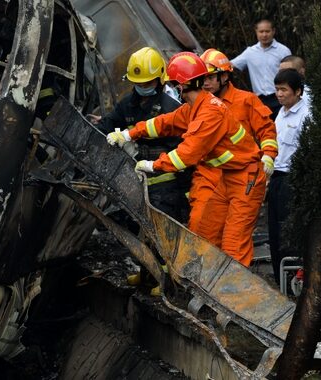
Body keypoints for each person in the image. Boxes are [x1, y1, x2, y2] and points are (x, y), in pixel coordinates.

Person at [107, 52, 265, 267]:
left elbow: (185, 156)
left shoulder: (209, 113)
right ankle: (208, 288)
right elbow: (164, 123)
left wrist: (152, 165)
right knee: (203, 235)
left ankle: (231, 297)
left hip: (246, 179)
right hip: (228, 178)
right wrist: (129, 134)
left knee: (233, 245)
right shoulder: (196, 107)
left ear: (180, 86)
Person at [92, 47, 189, 223]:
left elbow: (185, 151)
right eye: (139, 84)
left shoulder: (172, 109)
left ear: (159, 80)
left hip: (168, 186)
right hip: (137, 182)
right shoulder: (127, 105)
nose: (143, 88)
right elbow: (110, 125)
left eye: (148, 83)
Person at [198, 48, 277, 234]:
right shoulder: (198, 105)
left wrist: (268, 156)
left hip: (241, 175)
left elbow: (266, 130)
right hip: (209, 176)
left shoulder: (246, 101)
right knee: (203, 231)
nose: (205, 83)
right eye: (202, 78)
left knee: (235, 236)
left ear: (224, 77)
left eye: (210, 77)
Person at [268, 68, 311, 284]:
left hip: (293, 179)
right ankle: (278, 279)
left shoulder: (306, 114)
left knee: (288, 230)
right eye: (277, 89)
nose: (279, 94)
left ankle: (294, 279)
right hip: (277, 176)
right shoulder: (281, 112)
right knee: (274, 230)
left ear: (298, 92)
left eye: (284, 90)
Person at [231, 19, 292, 119]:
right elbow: (230, 65)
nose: (264, 35)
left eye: (267, 31)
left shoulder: (283, 51)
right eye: (261, 31)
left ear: (273, 31)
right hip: (260, 101)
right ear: (256, 32)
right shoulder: (250, 52)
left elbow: (291, 74)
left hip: (279, 98)